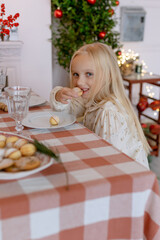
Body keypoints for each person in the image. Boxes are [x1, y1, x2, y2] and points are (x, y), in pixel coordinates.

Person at [50, 42, 150, 169]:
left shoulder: (108, 111)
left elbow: (108, 162)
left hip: (127, 179)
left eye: (89, 74)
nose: (79, 82)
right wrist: (59, 96)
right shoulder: (92, 98)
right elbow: (66, 112)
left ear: (108, 76)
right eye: (76, 74)